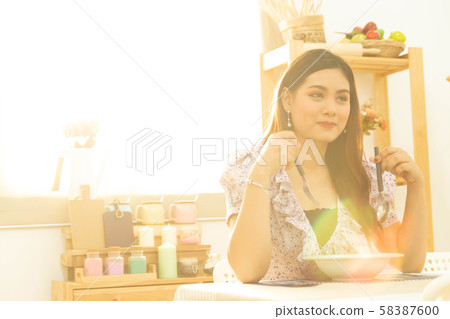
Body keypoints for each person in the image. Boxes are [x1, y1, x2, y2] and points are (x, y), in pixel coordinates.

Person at [219, 49, 427, 283]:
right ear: (288, 100)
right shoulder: (248, 168)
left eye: (341, 98)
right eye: (317, 95)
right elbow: (247, 271)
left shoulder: (363, 174)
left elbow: (409, 263)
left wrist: (416, 184)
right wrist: (261, 173)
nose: (331, 108)